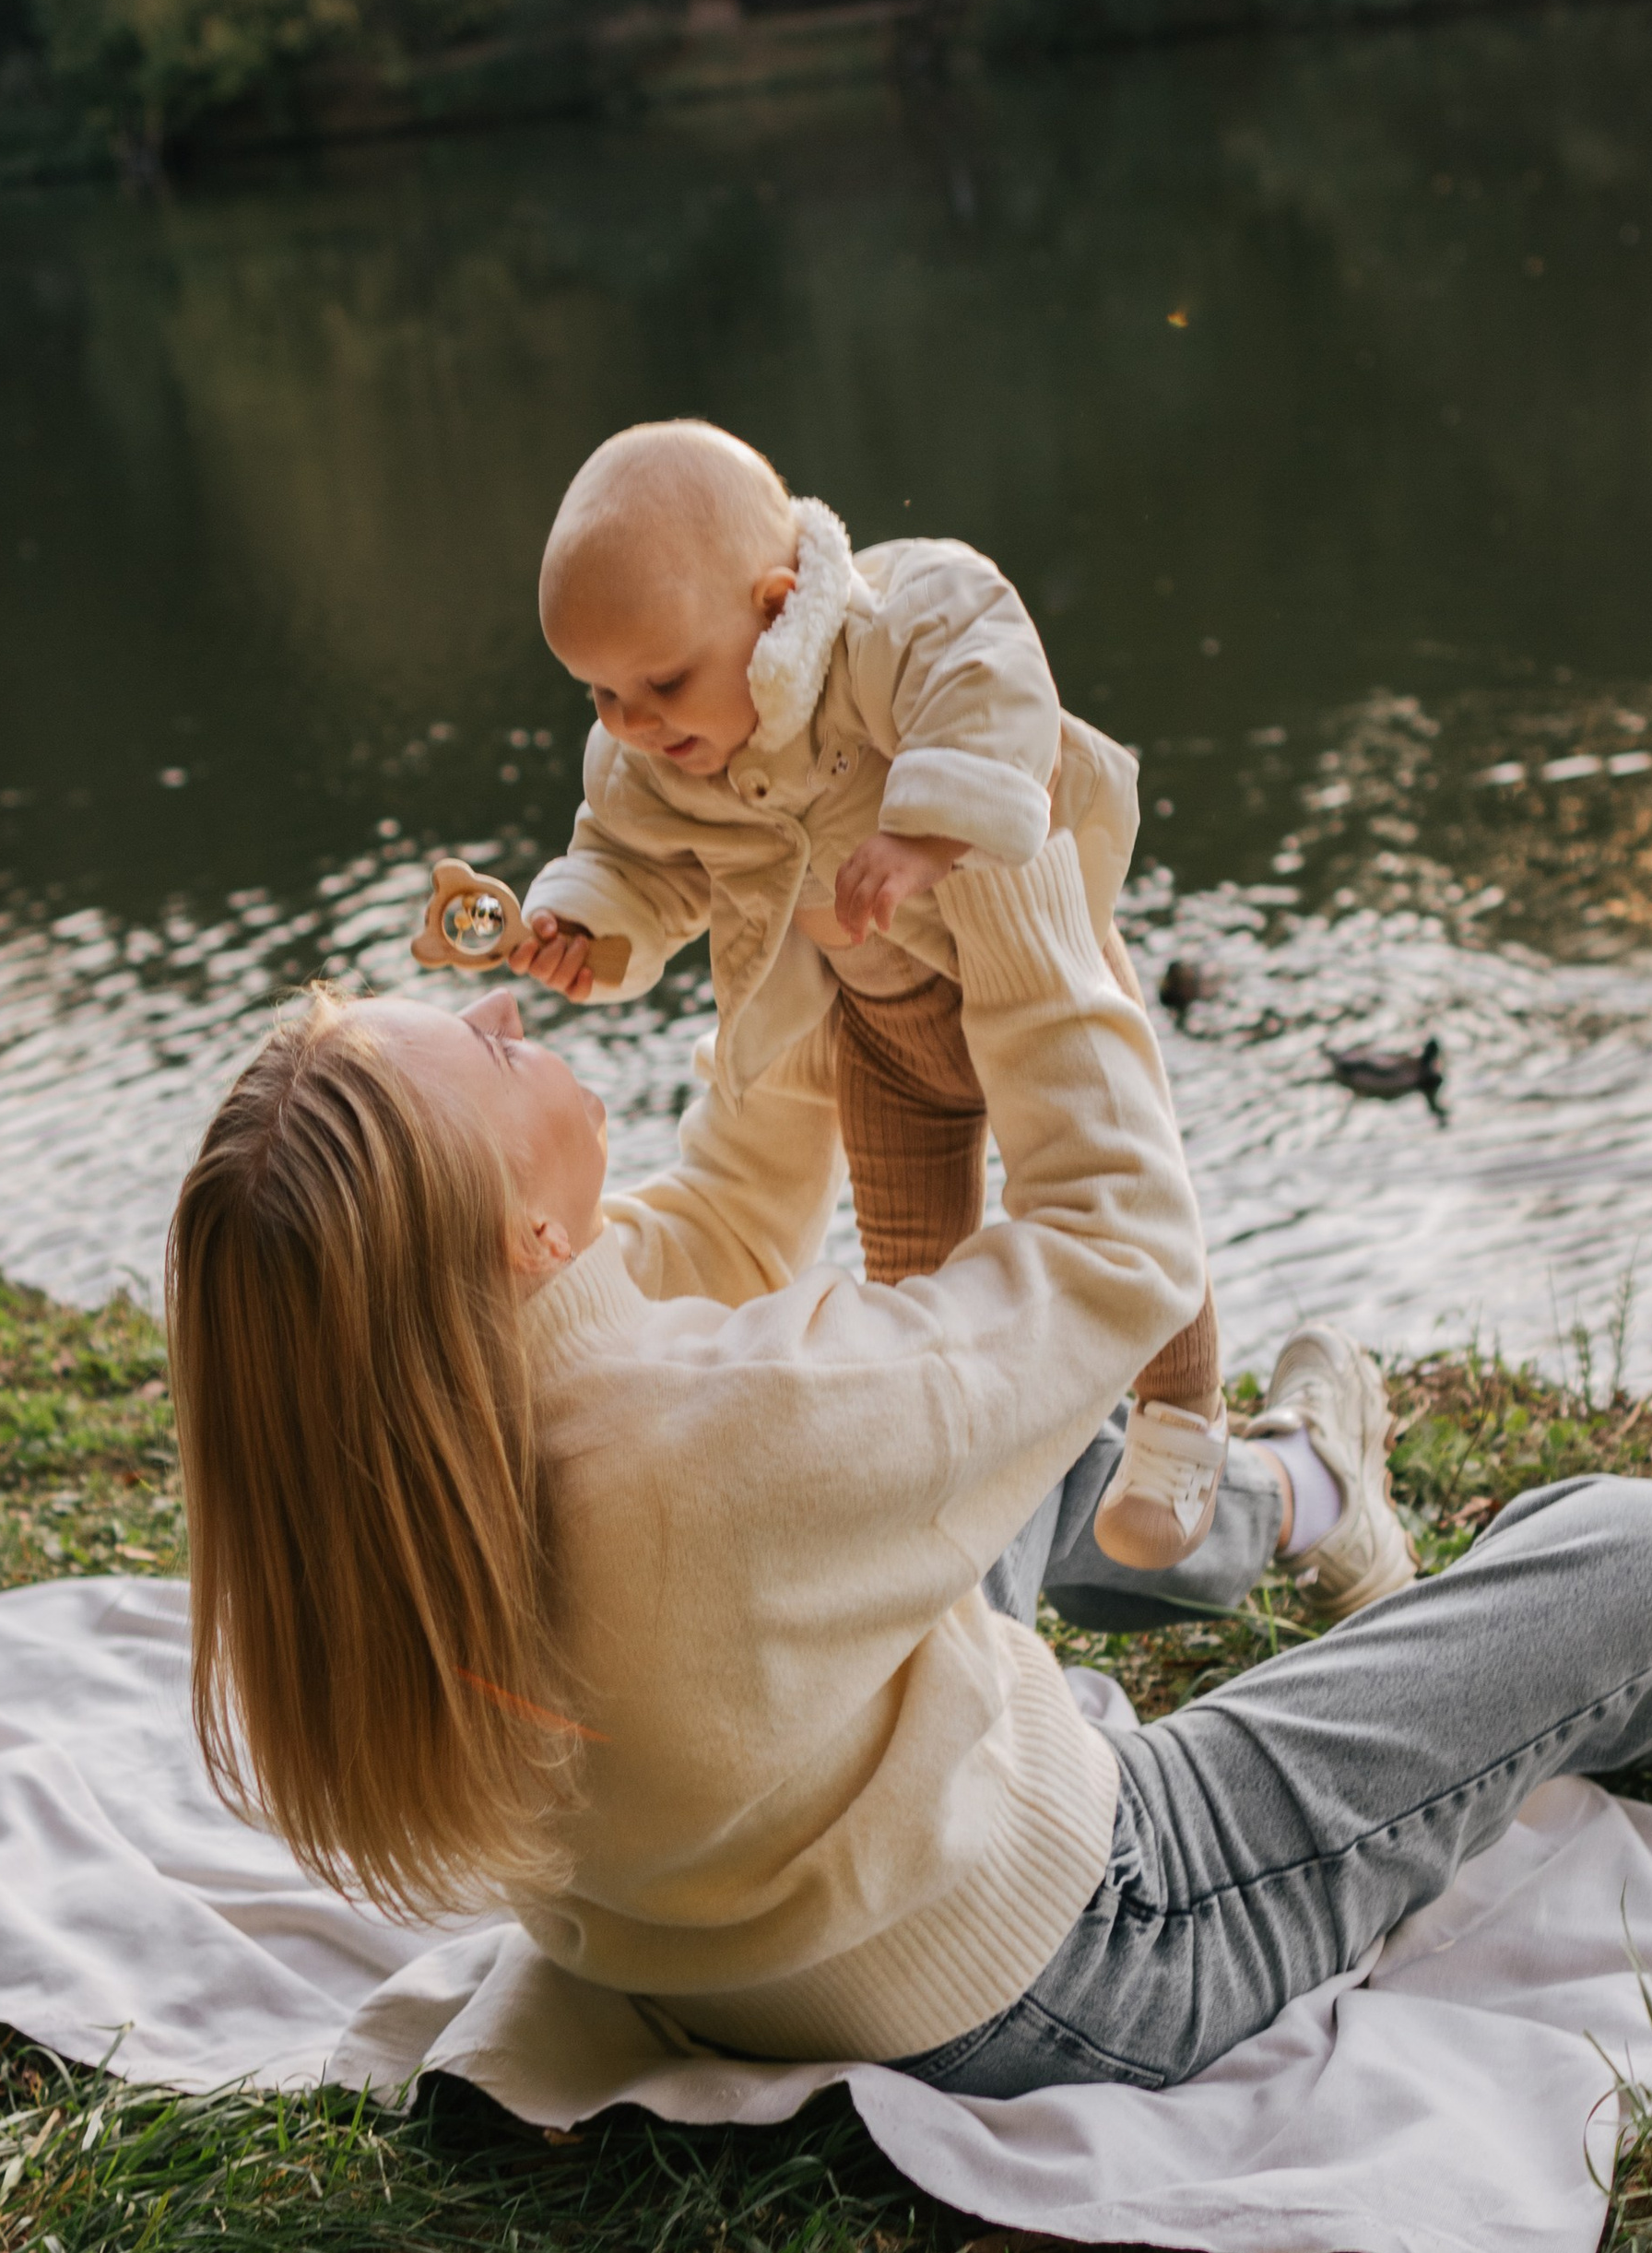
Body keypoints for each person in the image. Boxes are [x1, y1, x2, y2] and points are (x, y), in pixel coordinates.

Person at [167, 827, 1652, 2097]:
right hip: (1079, 1953)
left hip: (713, 1934)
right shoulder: (728, 1432)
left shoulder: (426, 1418)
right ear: (521, 1235)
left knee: (1007, 1415)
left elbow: (732, 1214)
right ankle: (1316, 1501)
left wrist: (795, 887)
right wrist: (1013, 883)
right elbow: (1121, 1252)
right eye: (488, 1056)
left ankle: (1299, 1498)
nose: (503, 1009)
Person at [509, 416, 1235, 1575]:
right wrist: (584, 929)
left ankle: (1181, 1413)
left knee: (1115, 1178)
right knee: (911, 1262)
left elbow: (994, 677)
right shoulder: (655, 757)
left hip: (1022, 968)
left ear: (774, 605)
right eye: (598, 694)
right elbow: (631, 856)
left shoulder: (893, 623)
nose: (634, 723)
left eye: (661, 683)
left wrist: (927, 831)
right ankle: (939, 1457)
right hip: (885, 1029)